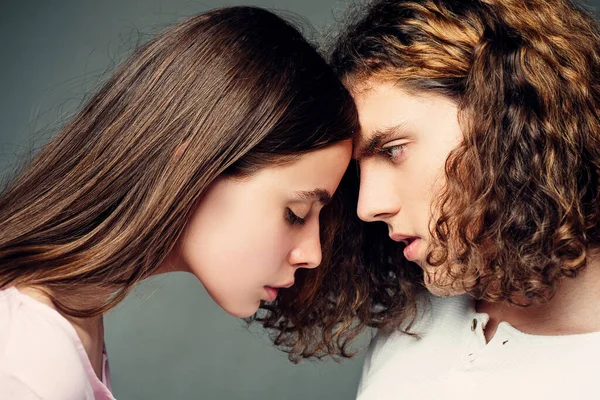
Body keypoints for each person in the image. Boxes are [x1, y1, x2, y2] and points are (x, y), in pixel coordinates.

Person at [0, 6, 357, 399]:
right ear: (192, 168)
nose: (313, 254)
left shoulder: (70, 320)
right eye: (297, 213)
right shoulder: (31, 357)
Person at [329, 0, 600, 398]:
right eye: (358, 173)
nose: (367, 207)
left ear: (509, 116)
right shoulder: (415, 317)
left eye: (393, 150)